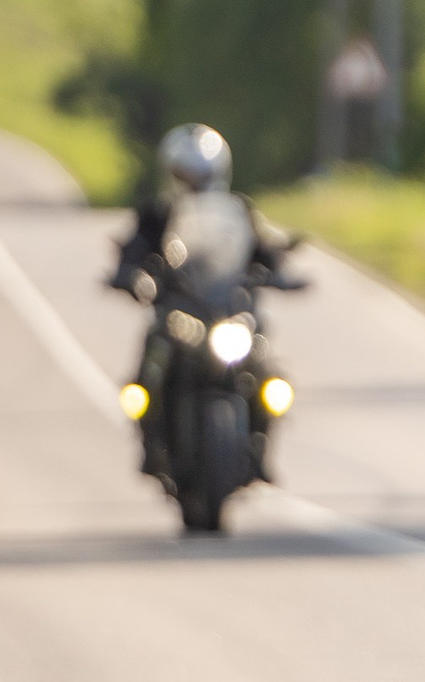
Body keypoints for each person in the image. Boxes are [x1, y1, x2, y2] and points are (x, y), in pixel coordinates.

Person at [110, 124, 299, 477]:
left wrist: (278, 271)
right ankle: (151, 441)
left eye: (201, 175)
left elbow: (261, 249)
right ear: (171, 173)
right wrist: (133, 274)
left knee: (265, 369)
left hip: (228, 309)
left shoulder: (237, 212)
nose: (193, 183)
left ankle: (260, 445)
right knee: (151, 362)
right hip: (179, 311)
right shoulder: (157, 215)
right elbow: (133, 250)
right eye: (186, 174)